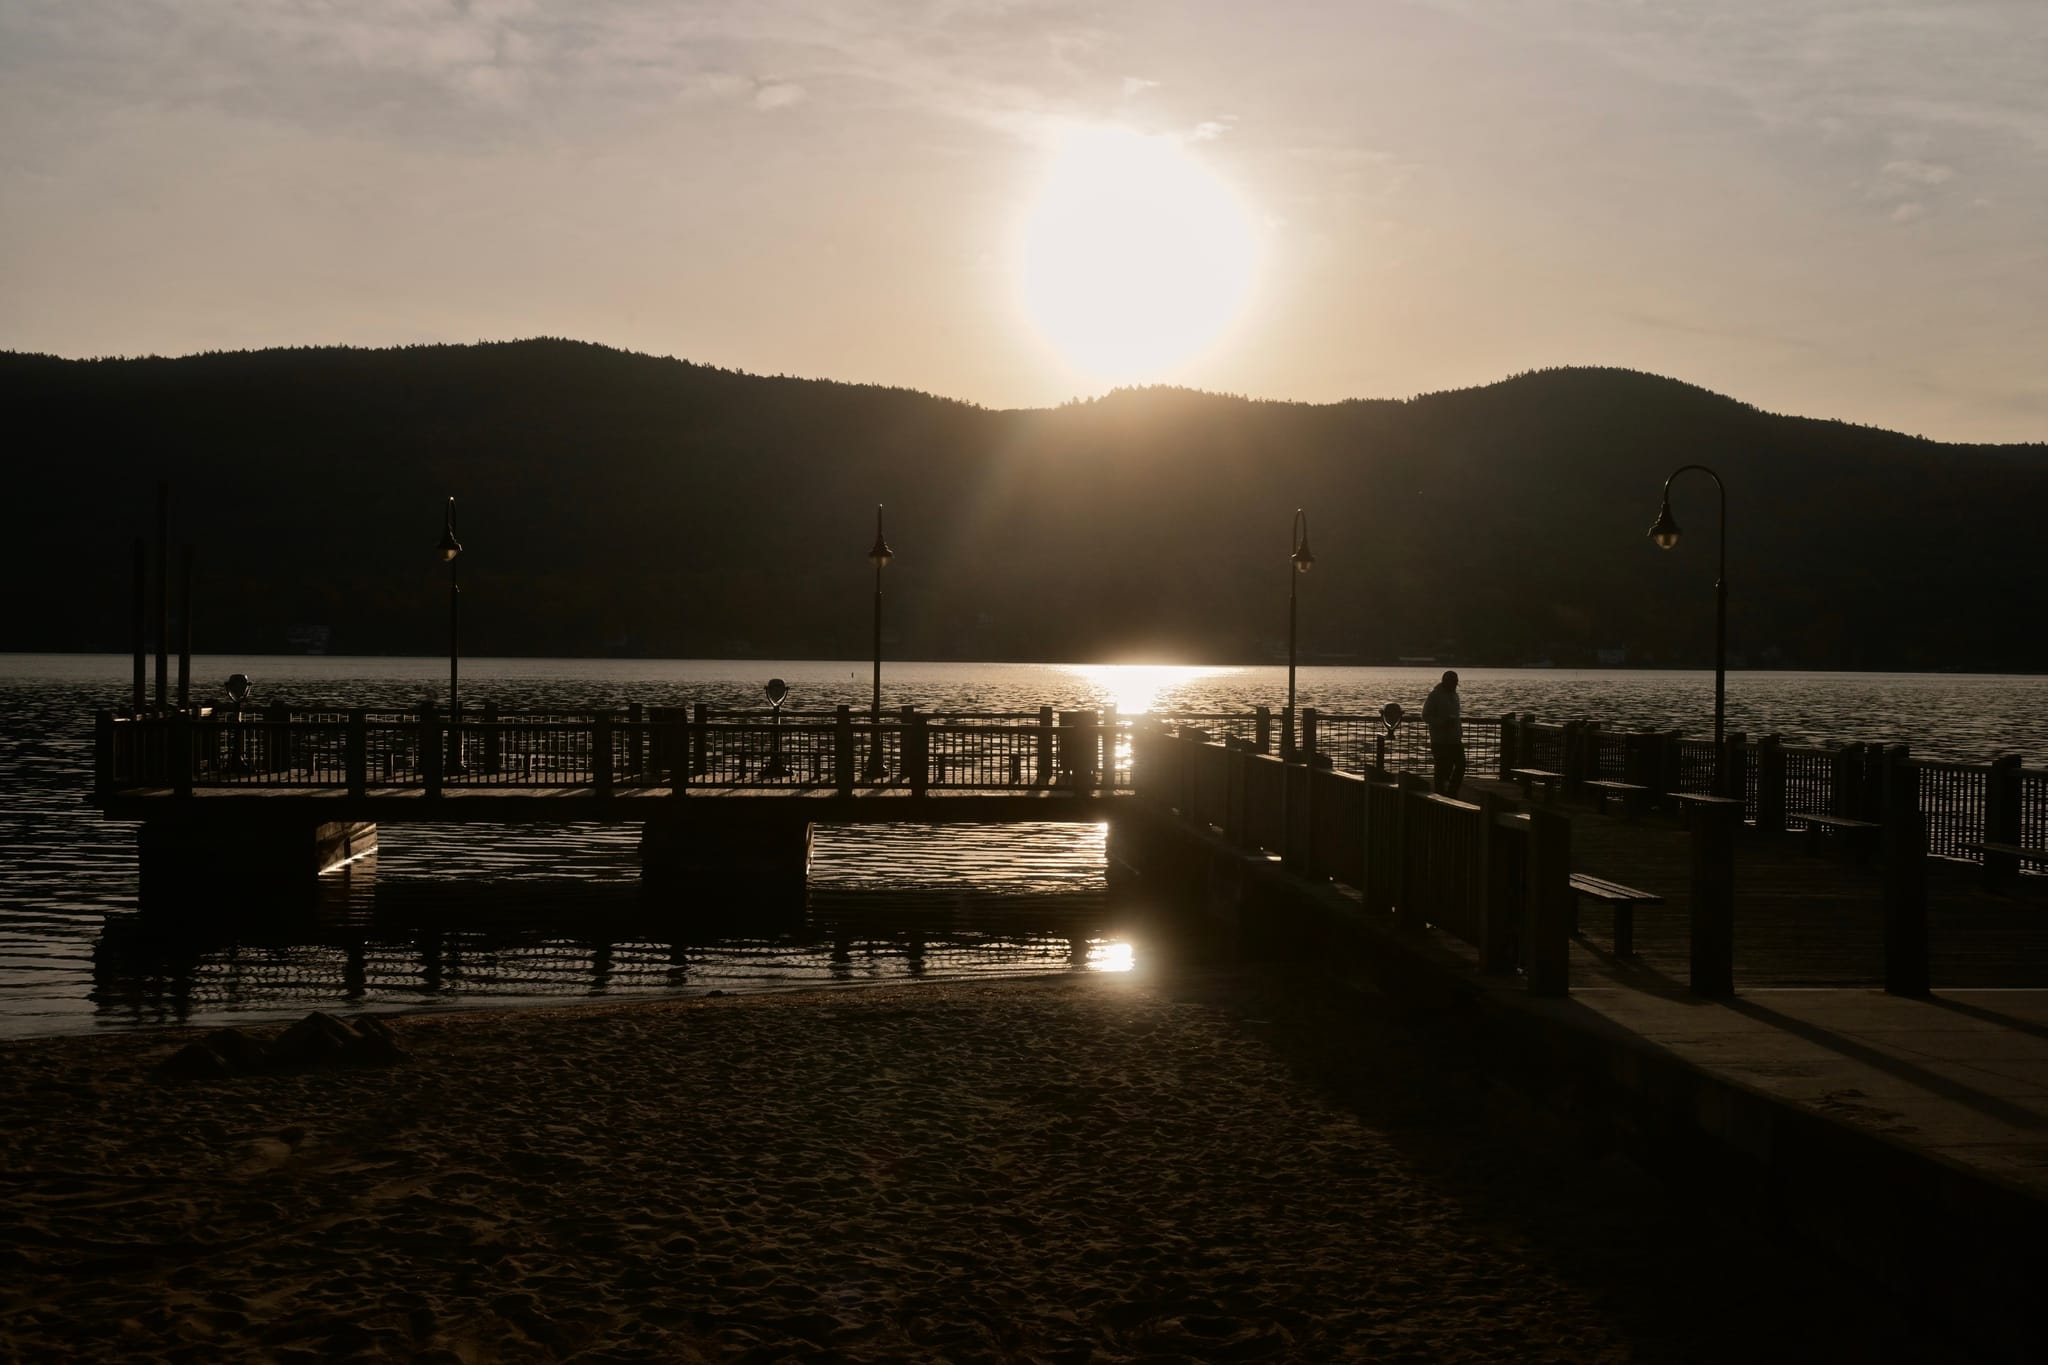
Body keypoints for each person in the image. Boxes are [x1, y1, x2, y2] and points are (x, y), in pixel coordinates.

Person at [1422, 670, 1464, 796]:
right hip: (1439, 739)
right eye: (1454, 682)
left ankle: (1452, 791)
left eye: (1456, 682)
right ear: (1446, 682)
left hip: (1455, 739)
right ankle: (1440, 792)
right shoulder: (1435, 695)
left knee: (1461, 765)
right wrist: (1441, 723)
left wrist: (1459, 731)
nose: (1455, 685)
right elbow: (1425, 716)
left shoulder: (1455, 695)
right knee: (1441, 768)